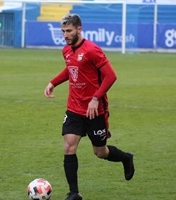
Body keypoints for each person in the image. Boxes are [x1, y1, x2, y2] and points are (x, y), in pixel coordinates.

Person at [44, 14, 135, 200]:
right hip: (74, 109)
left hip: (95, 110)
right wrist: (53, 82)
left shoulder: (93, 50)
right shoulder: (66, 51)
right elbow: (71, 70)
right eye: (63, 31)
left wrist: (95, 99)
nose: (65, 35)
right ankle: (74, 193)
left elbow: (111, 76)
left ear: (79, 29)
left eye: (69, 31)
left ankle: (126, 158)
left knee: (100, 152)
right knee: (69, 147)